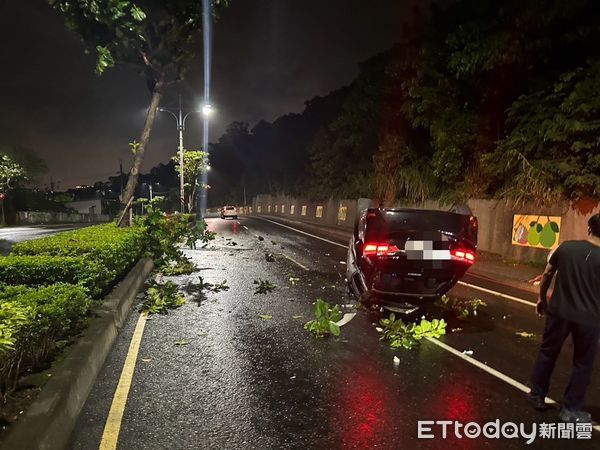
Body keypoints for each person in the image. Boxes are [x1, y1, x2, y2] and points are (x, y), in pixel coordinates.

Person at [528, 213, 600, 423]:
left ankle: (536, 395)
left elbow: (547, 274)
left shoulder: (566, 248)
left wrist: (542, 299)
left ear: (588, 229)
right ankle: (570, 409)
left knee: (547, 352)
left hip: (559, 312)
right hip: (589, 319)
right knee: (582, 363)